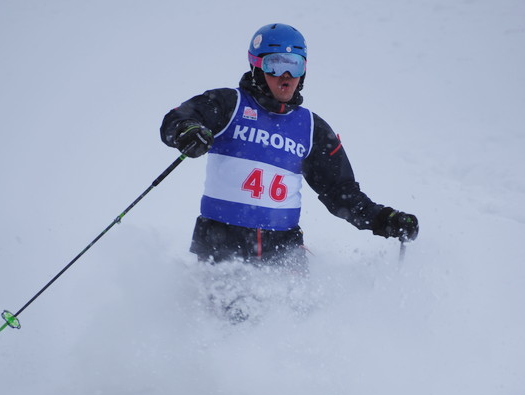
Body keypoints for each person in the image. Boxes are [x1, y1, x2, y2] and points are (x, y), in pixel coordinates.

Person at [160, 23, 418, 269]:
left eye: (294, 66)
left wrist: (384, 220)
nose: (286, 76)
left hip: (283, 250)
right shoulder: (229, 103)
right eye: (276, 64)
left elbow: (342, 193)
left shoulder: (310, 127)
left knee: (303, 315)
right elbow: (178, 118)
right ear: (257, 66)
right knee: (231, 314)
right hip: (223, 245)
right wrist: (188, 131)